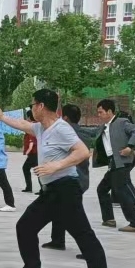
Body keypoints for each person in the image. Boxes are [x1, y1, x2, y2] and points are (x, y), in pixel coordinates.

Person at [0, 90, 114, 268]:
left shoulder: (61, 128)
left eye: (32, 104)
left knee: (84, 236)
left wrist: (56, 165)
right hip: (51, 192)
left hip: (66, 190)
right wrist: (1, 117)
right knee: (25, 226)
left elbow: (83, 152)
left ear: (40, 106)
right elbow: (23, 125)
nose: (31, 109)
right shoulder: (41, 128)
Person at [44, 103, 99, 254]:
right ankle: (57, 240)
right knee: (59, 209)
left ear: (66, 118)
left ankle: (89, 250)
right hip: (80, 178)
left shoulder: (65, 133)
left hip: (71, 180)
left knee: (76, 218)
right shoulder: (83, 132)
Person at [93, 98, 135, 233]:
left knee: (120, 191)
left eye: (100, 112)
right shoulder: (103, 127)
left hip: (123, 162)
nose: (99, 115)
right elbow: (92, 133)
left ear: (109, 111)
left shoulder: (121, 122)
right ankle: (109, 219)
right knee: (102, 189)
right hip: (113, 163)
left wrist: (130, 147)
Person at [21, 125, 38, 193]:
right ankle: (30, 188)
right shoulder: (29, 133)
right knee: (38, 171)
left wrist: (27, 152)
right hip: (34, 155)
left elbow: (31, 145)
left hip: (33, 155)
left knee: (25, 168)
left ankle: (29, 187)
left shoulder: (30, 134)